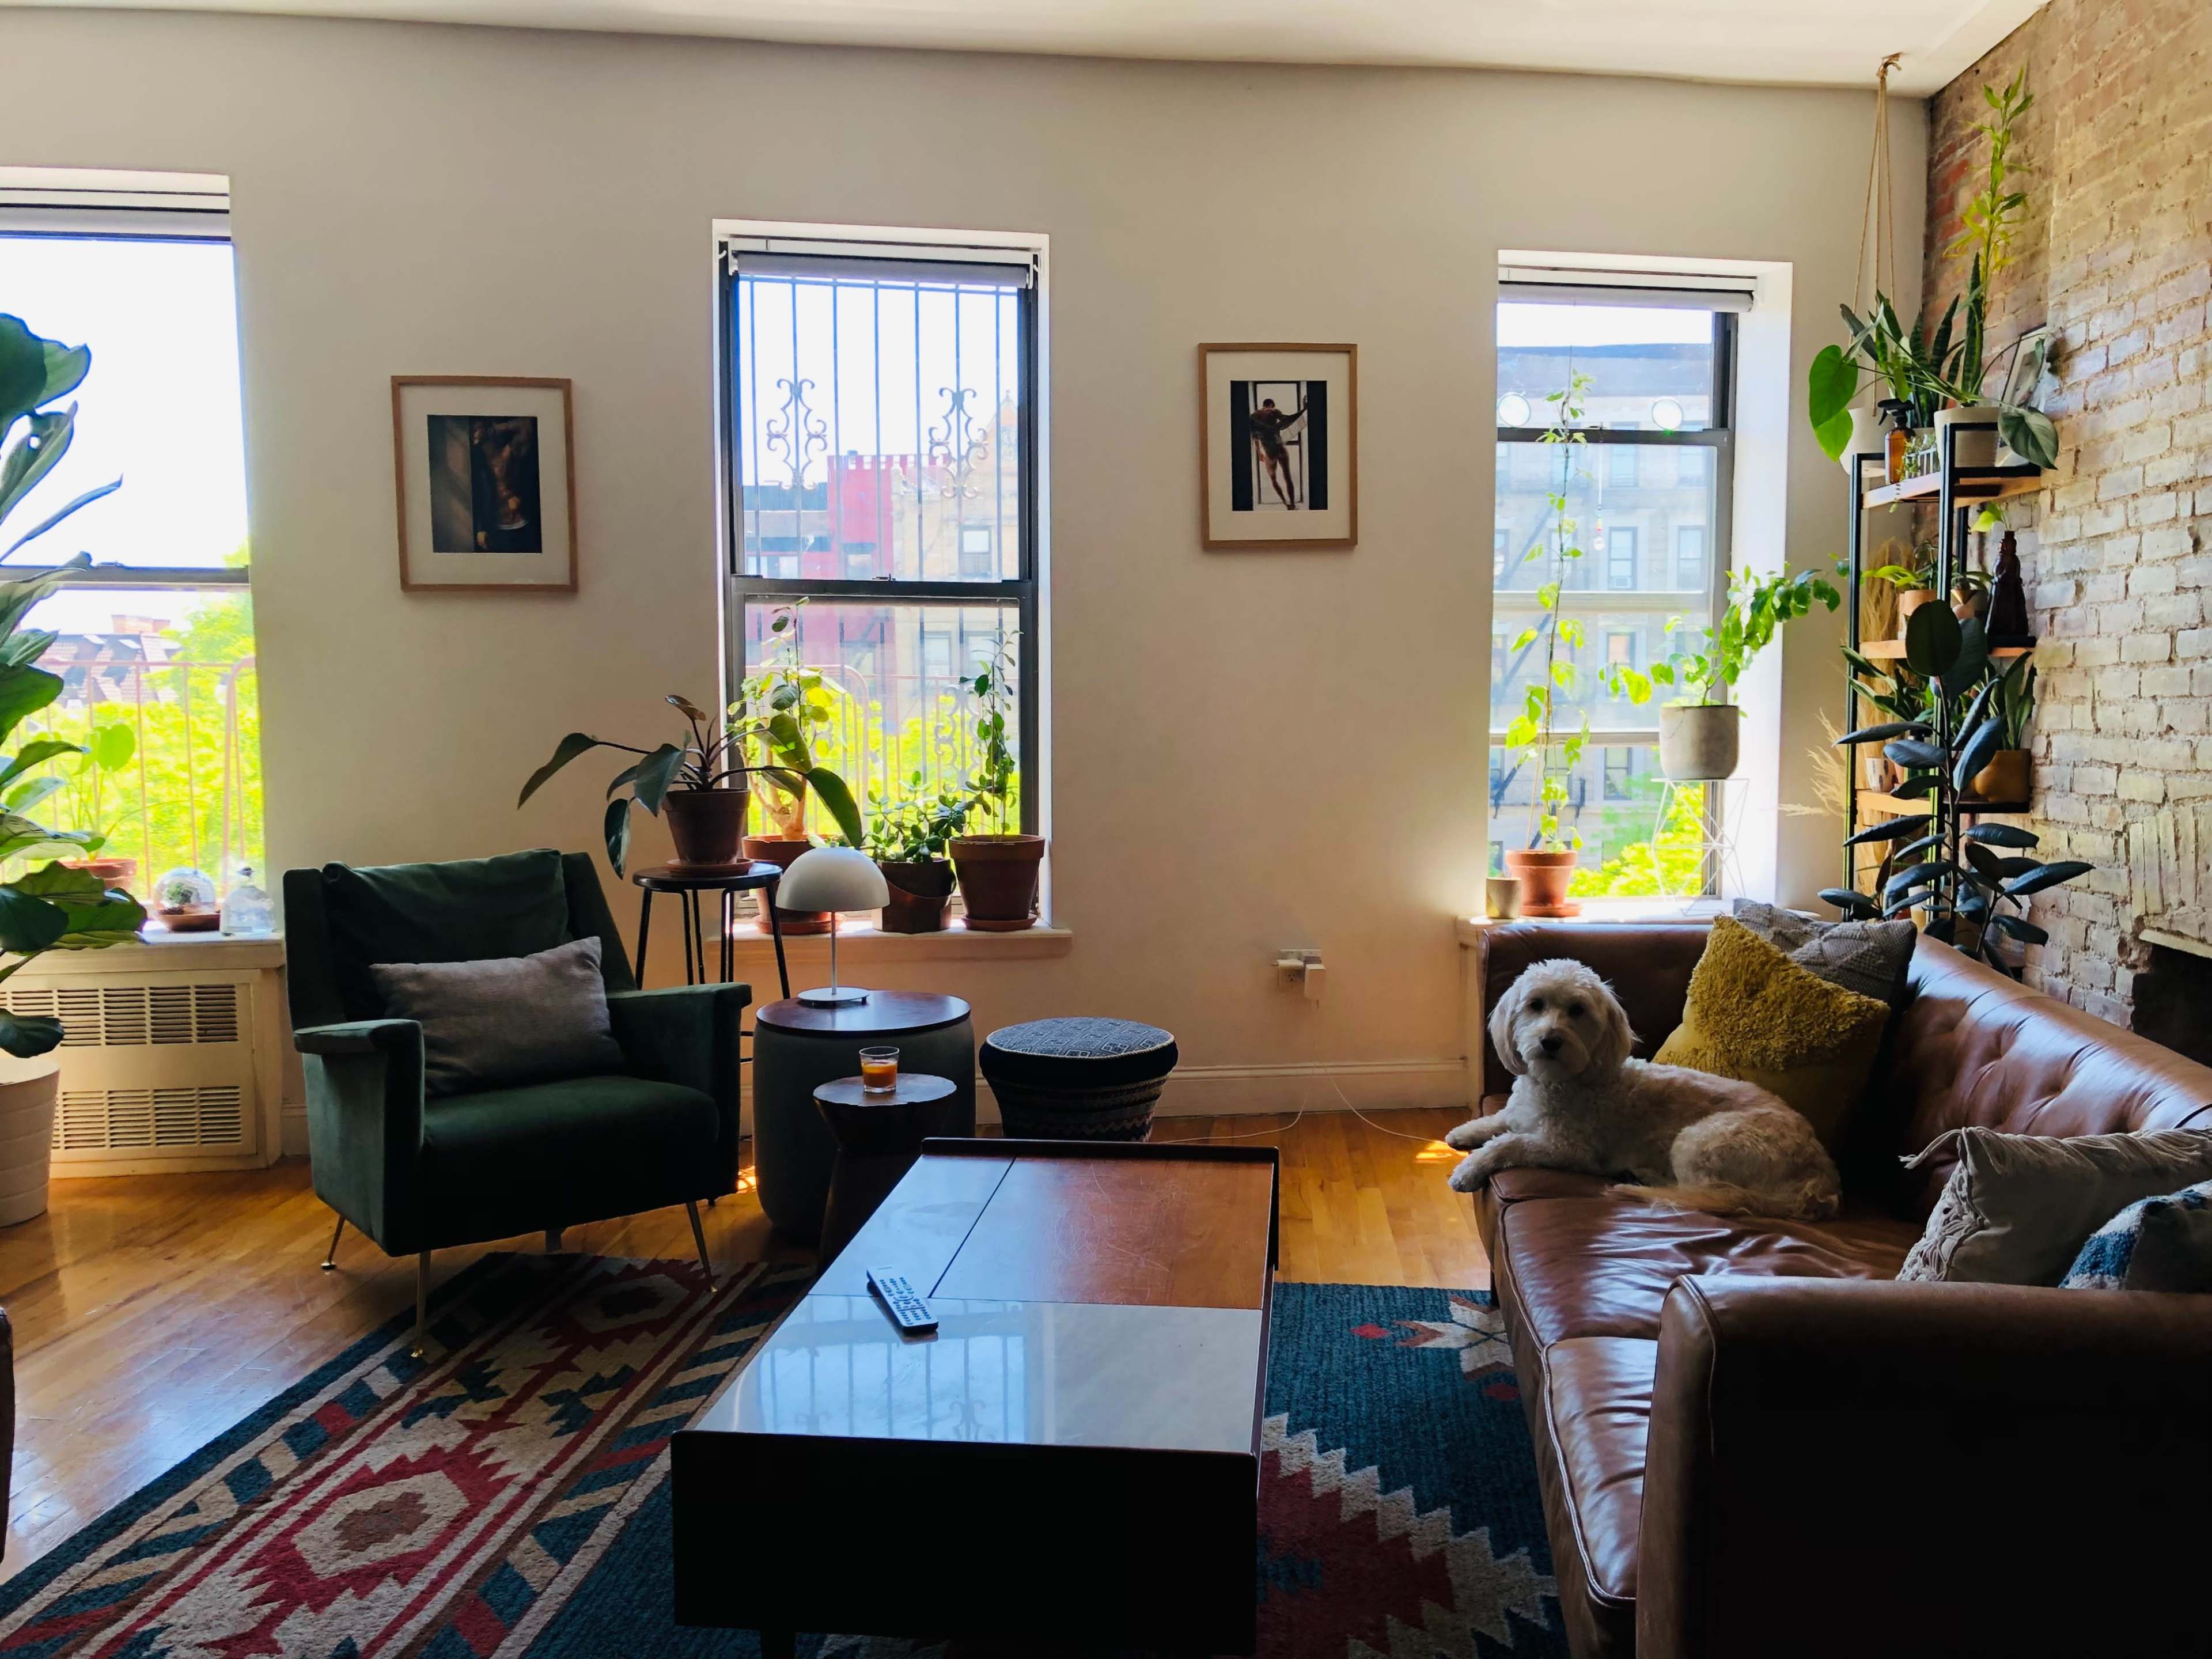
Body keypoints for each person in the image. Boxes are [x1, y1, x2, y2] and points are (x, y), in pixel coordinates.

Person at [1248, 395, 1309, 509]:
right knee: (1288, 477)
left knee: (1273, 479)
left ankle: (1286, 503)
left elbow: (1255, 437)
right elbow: (1288, 420)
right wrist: (1304, 409)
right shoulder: (1275, 412)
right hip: (1280, 448)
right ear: (1271, 405)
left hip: (1270, 452)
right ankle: (1292, 504)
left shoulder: (1254, 416)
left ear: (1264, 405)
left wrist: (1259, 453)